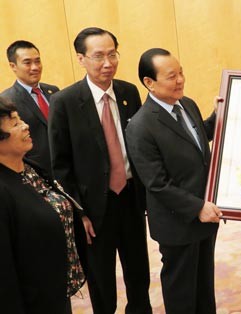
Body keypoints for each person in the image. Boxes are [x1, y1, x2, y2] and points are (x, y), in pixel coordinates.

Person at [48, 27, 151, 314]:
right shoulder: (64, 102)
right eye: (98, 56)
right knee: (102, 278)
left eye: (113, 54)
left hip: (130, 197)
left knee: (139, 272)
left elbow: (139, 145)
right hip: (93, 207)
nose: (108, 63)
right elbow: (62, 165)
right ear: (81, 59)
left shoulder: (129, 92)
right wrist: (78, 212)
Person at [126, 48, 222, 314]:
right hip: (178, 222)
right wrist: (196, 208)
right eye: (171, 76)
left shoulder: (186, 103)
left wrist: (217, 117)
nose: (180, 80)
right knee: (181, 291)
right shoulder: (141, 126)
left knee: (204, 284)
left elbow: (195, 137)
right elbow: (156, 183)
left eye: (181, 73)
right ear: (149, 83)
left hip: (205, 214)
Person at [0, 96, 86, 314]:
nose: (25, 126)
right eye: (15, 123)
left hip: (56, 290)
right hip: (32, 302)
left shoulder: (31, 168)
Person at [1, 40, 59, 175]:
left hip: (65, 169)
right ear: (13, 66)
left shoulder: (54, 91)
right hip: (37, 173)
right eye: (27, 63)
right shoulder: (6, 101)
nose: (35, 67)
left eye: (38, 61)